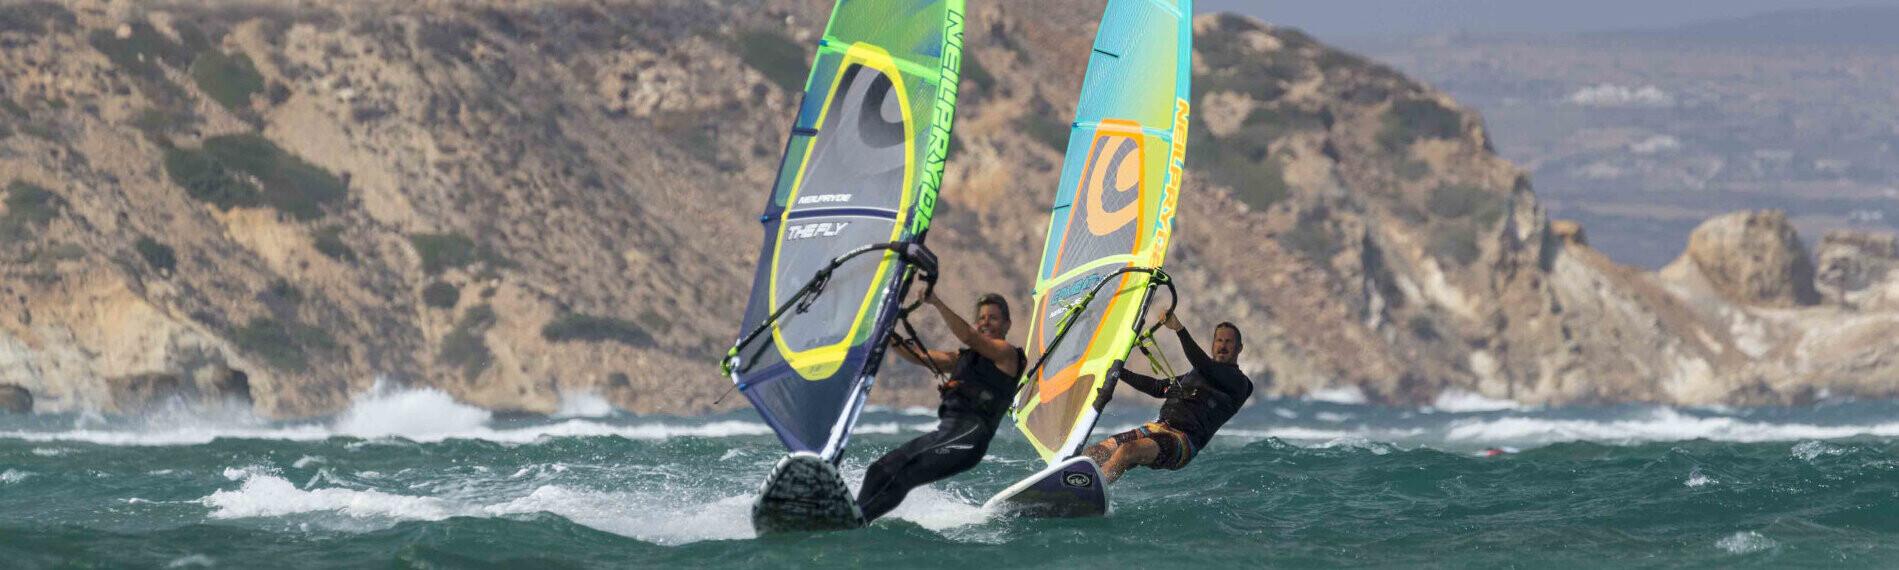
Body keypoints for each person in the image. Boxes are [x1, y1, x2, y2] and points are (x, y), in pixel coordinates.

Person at [856, 292, 1025, 523]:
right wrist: (885, 330)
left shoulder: (1007, 355)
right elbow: (918, 356)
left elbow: (969, 336)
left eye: (993, 318)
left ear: (1007, 325)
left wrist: (936, 301)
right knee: (880, 469)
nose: (985, 322)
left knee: (902, 474)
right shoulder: (963, 358)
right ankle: (855, 514)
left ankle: (859, 519)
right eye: (982, 317)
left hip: (968, 437)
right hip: (947, 432)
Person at [1083, 313, 1253, 484]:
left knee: (1127, 451)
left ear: (1240, 348)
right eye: (1219, 340)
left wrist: (1179, 329)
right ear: (1213, 344)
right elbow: (1157, 388)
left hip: (1182, 442)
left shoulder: (1239, 383)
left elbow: (1204, 364)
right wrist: (1119, 371)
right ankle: (1069, 476)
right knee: (1096, 452)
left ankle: (1089, 488)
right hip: (1155, 428)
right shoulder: (1196, 374)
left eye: (1228, 342)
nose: (1223, 346)